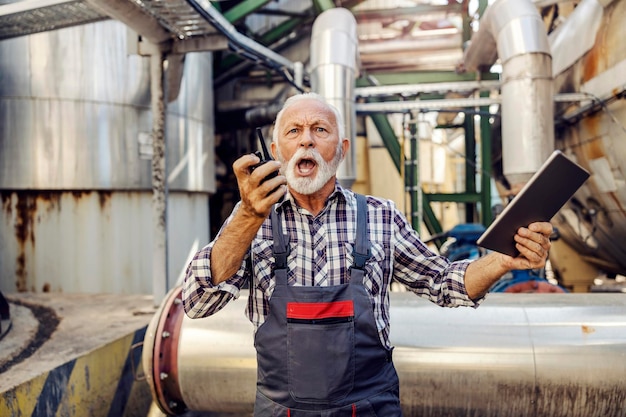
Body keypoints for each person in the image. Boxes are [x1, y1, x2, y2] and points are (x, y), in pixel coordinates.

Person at [182, 92, 553, 417]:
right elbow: (196, 303)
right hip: (283, 410)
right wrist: (247, 216)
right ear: (276, 152)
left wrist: (504, 259)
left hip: (370, 408)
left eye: (320, 130)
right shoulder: (250, 221)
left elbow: (445, 283)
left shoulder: (380, 216)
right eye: (293, 131)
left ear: (342, 150)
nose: (306, 141)